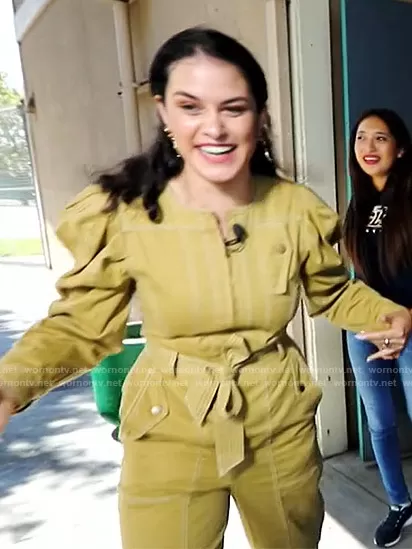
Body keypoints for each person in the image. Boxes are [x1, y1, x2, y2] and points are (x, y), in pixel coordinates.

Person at [0, 28, 411, 549]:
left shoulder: (293, 209)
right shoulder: (127, 213)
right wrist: (10, 384)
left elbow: (331, 290)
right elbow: (80, 323)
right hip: (166, 423)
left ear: (259, 116)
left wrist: (386, 313)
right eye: (190, 106)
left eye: (233, 108)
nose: (214, 127)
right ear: (164, 112)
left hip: (277, 419)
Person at [343, 108, 412, 548]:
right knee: (380, 423)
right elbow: (362, 277)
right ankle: (399, 503)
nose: (368, 147)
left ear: (400, 149)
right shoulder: (362, 204)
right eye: (361, 137)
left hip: (410, 326)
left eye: (380, 138)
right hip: (366, 328)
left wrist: (407, 317)